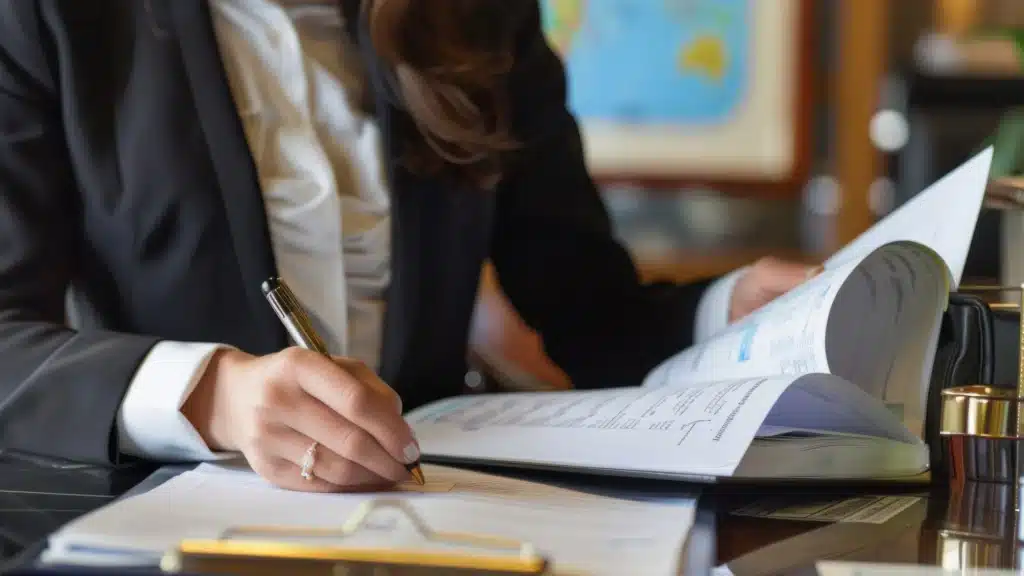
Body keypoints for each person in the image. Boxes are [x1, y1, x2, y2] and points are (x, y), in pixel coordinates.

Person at [0, 0, 816, 493]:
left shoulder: (481, 17)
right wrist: (214, 396)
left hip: (433, 516)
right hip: (152, 526)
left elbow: (590, 309)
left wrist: (731, 312)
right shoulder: (49, 17)